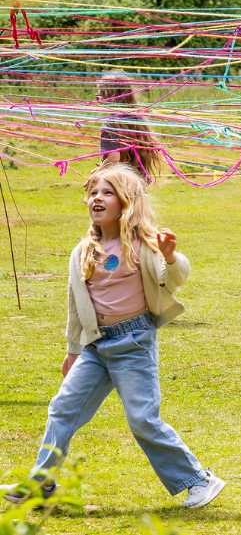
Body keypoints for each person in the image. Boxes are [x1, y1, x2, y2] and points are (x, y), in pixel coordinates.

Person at [2, 164, 225, 508]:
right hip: (94, 346)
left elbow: (175, 277)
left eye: (107, 193)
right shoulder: (83, 251)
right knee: (62, 408)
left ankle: (199, 479)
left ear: (126, 202)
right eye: (93, 192)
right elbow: (77, 306)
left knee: (142, 419)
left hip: (133, 342)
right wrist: (73, 350)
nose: (97, 198)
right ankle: (42, 484)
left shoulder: (143, 244)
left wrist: (169, 254)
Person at [96, 71, 163, 181]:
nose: (98, 101)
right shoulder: (138, 119)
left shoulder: (110, 123)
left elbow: (113, 158)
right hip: (138, 184)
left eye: (99, 96)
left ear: (109, 97)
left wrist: (98, 173)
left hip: (119, 184)